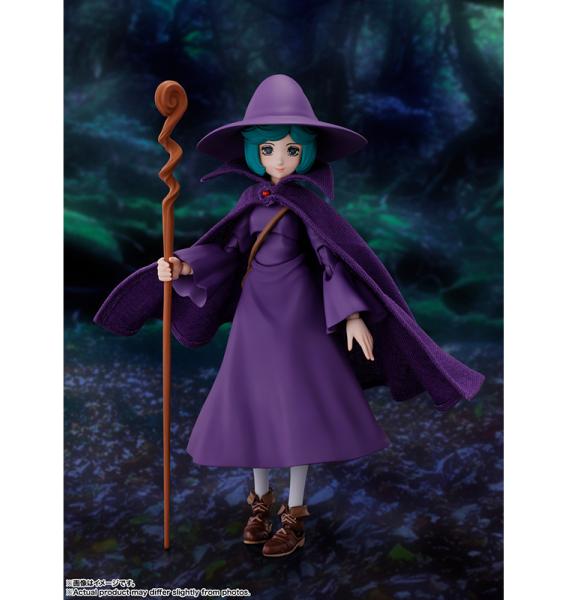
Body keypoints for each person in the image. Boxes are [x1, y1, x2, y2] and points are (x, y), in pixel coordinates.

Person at [94, 74, 485, 558]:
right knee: (253, 405)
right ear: (253, 152)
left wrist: (351, 315)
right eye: (269, 150)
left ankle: (294, 513)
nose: (279, 160)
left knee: (300, 411)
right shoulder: (249, 204)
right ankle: (259, 503)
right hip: (255, 318)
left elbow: (333, 262)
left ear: (307, 153)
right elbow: (226, 252)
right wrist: (184, 264)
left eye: (291, 150)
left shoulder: (308, 209)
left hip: (301, 320)